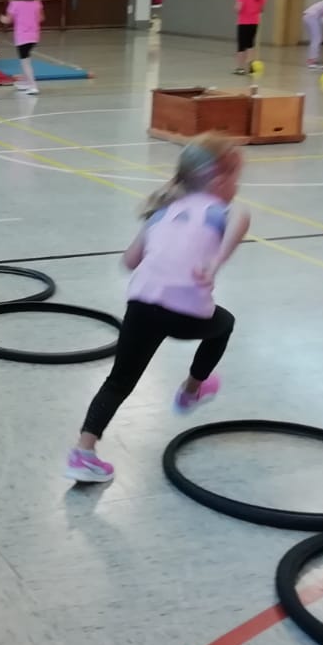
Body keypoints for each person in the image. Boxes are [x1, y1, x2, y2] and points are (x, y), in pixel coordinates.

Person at [65, 135, 249, 484]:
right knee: (224, 324)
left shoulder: (161, 213)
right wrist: (215, 262)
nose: (237, 189)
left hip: (142, 305)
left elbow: (129, 261)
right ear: (218, 180)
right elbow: (242, 218)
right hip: (186, 311)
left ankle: (83, 452)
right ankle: (191, 391)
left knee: (119, 381)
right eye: (236, 180)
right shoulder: (218, 212)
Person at [0, 0, 46, 94]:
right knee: (26, 58)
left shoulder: (14, 4)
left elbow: (8, 20)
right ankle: (26, 82)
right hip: (34, 36)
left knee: (25, 61)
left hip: (22, 38)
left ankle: (33, 85)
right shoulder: (37, 3)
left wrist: (2, 19)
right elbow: (41, 18)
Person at [233, 0, 266, 75]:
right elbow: (262, 9)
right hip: (254, 23)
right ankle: (251, 67)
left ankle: (240, 68)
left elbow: (238, 8)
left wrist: (236, 8)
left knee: (241, 46)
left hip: (243, 23)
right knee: (250, 45)